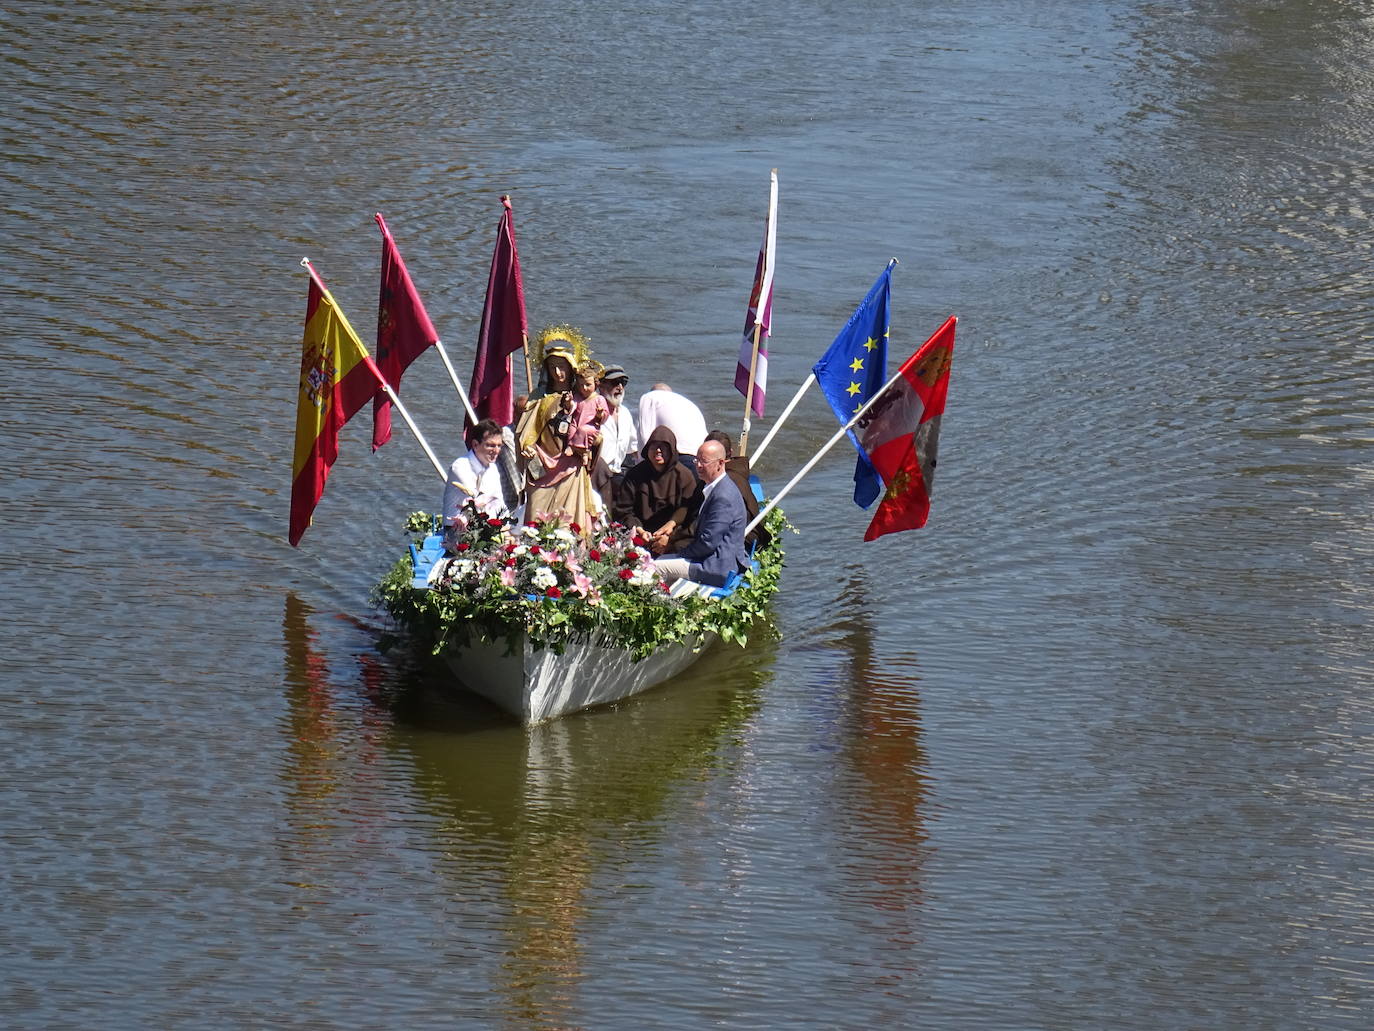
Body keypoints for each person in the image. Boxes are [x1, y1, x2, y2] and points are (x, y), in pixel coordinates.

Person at [652, 439, 749, 588]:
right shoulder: (716, 488)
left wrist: (680, 554)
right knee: (665, 561)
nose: (698, 465)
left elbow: (708, 543)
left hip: (717, 566)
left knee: (654, 567)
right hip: (716, 559)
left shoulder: (723, 496)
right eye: (696, 460)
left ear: (720, 463)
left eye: (704, 461)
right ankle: (667, 601)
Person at [613, 426, 698, 551]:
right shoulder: (635, 474)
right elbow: (623, 510)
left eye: (663, 447)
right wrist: (639, 531)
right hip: (639, 534)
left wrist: (670, 535)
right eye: (654, 447)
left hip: (672, 537)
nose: (658, 451)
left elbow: (690, 513)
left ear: (672, 451)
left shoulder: (684, 476)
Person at [442, 418, 517, 528]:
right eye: (490, 445)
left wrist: (508, 528)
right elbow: (477, 501)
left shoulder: (493, 468)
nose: (496, 451)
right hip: (457, 530)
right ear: (475, 445)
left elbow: (499, 503)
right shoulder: (460, 467)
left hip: (486, 528)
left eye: (499, 445)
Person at [637, 383, 707, 473]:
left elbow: (644, 433)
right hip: (698, 461)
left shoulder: (651, 397)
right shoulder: (687, 403)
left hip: (675, 459)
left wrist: (641, 466)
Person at [564, 363, 610, 467]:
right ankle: (577, 449)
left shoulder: (599, 399)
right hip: (577, 423)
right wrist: (568, 402)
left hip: (591, 427)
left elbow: (605, 415)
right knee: (571, 429)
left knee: (583, 430)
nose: (584, 388)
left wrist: (600, 414)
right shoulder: (578, 397)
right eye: (581, 385)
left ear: (596, 384)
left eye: (588, 385)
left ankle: (580, 450)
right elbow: (572, 407)